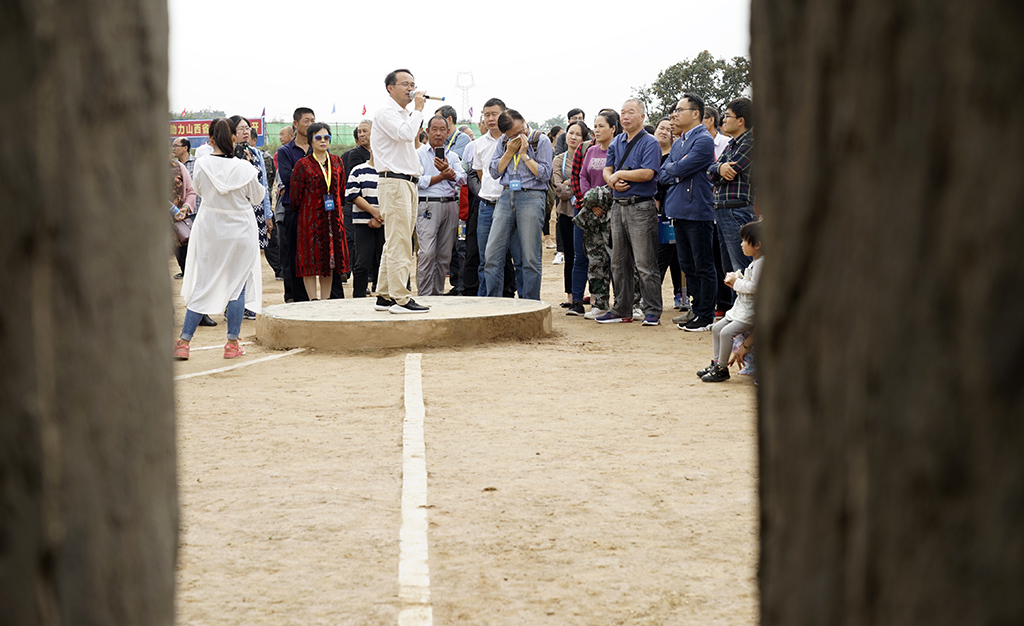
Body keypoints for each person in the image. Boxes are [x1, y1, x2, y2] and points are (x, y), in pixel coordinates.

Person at [174, 119, 265, 360]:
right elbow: (257, 197)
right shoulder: (245, 167)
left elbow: (201, 191)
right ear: (234, 138)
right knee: (238, 286)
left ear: (210, 139)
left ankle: (184, 342)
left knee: (203, 282)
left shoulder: (202, 164)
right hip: (241, 229)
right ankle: (232, 343)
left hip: (211, 226)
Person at [596, 99, 663, 326]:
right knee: (618, 262)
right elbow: (607, 169)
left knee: (645, 262)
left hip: (641, 206)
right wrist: (611, 181)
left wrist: (618, 176)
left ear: (642, 116)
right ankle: (621, 308)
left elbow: (648, 173)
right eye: (623, 113)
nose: (625, 117)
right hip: (618, 205)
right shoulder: (616, 142)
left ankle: (652, 309)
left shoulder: (650, 142)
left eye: (631, 112)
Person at [371, 68, 430, 313]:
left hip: (406, 182)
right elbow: (406, 135)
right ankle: (400, 298)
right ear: (390, 88)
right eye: (405, 84)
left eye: (413, 83)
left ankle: (385, 295)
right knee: (400, 241)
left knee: (395, 240)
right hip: (394, 182)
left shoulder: (404, 114)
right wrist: (418, 110)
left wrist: (414, 112)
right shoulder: (387, 112)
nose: (411, 88)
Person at [658, 94, 718, 332]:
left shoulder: (703, 140)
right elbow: (663, 173)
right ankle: (696, 308)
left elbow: (681, 167)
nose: (674, 114)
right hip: (678, 210)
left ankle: (706, 314)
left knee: (703, 264)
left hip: (697, 211)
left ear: (696, 114)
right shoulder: (680, 142)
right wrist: (678, 171)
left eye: (679, 110)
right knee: (687, 264)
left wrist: (677, 170)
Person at [484, 109, 553, 300]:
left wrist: (524, 155)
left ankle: (531, 304)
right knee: (492, 254)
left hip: (531, 197)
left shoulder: (541, 140)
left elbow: (545, 174)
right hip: (506, 196)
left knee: (530, 257)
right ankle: (493, 304)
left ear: (524, 121)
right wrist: (509, 152)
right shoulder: (504, 142)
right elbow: (495, 172)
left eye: (519, 131)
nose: (517, 136)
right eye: (512, 135)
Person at [290, 121, 350, 300]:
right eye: (318, 138)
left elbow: (341, 189)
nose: (323, 141)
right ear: (311, 141)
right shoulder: (303, 164)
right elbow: (295, 196)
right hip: (310, 221)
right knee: (310, 261)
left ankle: (325, 301)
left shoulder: (337, 162)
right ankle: (312, 301)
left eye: (326, 137)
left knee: (330, 263)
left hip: (334, 221)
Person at [699, 220, 762, 382]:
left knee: (726, 332)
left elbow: (754, 287)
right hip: (740, 310)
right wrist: (737, 279)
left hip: (748, 313)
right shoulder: (755, 262)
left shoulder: (762, 263)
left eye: (745, 241)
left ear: (758, 245)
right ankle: (715, 362)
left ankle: (722, 368)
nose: (741, 245)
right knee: (717, 328)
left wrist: (736, 283)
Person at [570, 111, 619, 318]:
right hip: (591, 215)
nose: (596, 130)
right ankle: (599, 302)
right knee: (595, 260)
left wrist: (601, 202)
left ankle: (627, 302)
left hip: (612, 213)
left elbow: (619, 180)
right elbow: (582, 177)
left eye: (601, 126)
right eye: (595, 126)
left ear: (613, 129)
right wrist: (590, 204)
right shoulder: (590, 151)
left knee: (617, 260)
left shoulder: (619, 150)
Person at [414, 115, 466, 296]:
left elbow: (463, 178)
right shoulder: (418, 154)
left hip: (450, 206)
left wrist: (450, 173)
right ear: (427, 132)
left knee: (444, 255)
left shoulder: (452, 156)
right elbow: (416, 180)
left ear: (448, 132)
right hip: (427, 206)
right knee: (427, 252)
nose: (438, 133)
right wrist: (441, 177)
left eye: (442, 129)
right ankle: (425, 295)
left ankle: (437, 294)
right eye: (434, 129)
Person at [708, 97, 756, 273]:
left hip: (737, 210)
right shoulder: (731, 145)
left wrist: (718, 171)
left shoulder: (750, 142)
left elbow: (727, 175)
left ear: (741, 120)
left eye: (727, 116)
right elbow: (710, 172)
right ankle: (736, 302)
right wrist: (719, 168)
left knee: (741, 269)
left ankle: (747, 302)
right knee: (729, 271)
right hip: (723, 210)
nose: (724, 120)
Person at [276, 107, 316, 302]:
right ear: (296, 123)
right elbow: (288, 178)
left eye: (313, 120)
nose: (310, 124)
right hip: (294, 209)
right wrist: (313, 178)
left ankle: (315, 296)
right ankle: (292, 295)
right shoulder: (284, 152)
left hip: (317, 210)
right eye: (306, 120)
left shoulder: (318, 147)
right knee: (292, 253)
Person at [471, 98, 508, 296]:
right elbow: (480, 173)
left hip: (509, 203)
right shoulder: (478, 144)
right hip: (486, 205)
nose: (490, 118)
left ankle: (508, 301)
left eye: (494, 114)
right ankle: (486, 302)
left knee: (514, 258)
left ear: (504, 114)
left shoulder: (512, 139)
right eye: (487, 115)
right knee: (486, 258)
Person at [551, 120, 588, 310]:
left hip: (586, 212)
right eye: (570, 133)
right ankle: (571, 295)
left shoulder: (589, 155)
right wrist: (577, 185)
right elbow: (559, 190)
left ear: (584, 138)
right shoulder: (559, 159)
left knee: (588, 254)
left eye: (577, 134)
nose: (573, 137)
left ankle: (591, 295)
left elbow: (589, 183)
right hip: (566, 213)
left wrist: (570, 183)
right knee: (570, 255)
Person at [335, 119, 373, 298]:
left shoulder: (384, 155)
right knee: (355, 244)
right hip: (355, 207)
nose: (362, 134)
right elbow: (355, 187)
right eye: (359, 131)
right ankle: (354, 281)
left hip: (379, 211)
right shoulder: (355, 155)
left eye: (366, 130)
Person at [652, 117, 685, 315]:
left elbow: (670, 181)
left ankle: (680, 294)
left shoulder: (674, 155)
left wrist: (659, 197)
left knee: (677, 255)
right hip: (651, 211)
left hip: (670, 209)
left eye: (668, 129)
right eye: (660, 128)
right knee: (658, 254)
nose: (664, 131)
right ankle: (652, 295)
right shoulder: (649, 153)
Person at [345, 147, 384, 299]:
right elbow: (353, 194)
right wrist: (373, 212)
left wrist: (380, 218)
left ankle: (384, 295)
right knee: (362, 262)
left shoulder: (390, 172)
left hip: (385, 223)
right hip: (362, 223)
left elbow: (393, 195)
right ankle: (359, 296)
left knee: (384, 260)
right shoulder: (358, 170)